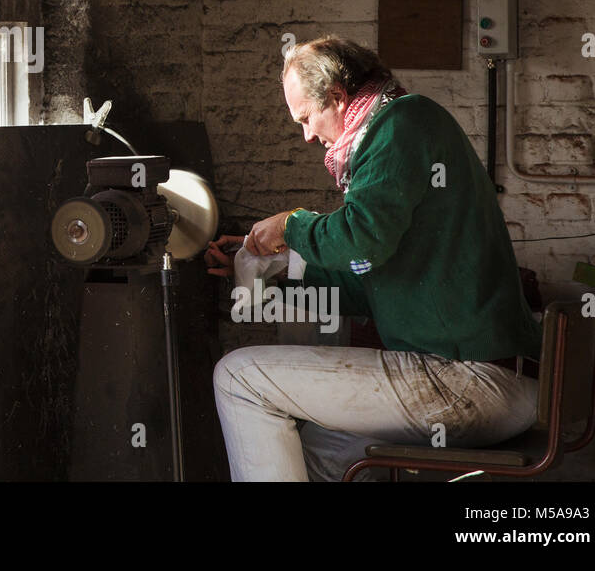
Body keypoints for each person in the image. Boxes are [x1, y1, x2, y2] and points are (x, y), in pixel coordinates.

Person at [207, 35, 543, 481]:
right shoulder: (404, 125)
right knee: (320, 452)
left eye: (306, 118)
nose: (307, 135)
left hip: (470, 380)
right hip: (492, 383)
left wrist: (291, 225)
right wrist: (266, 276)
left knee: (238, 378)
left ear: (338, 96)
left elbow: (361, 242)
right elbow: (366, 281)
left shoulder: (401, 125)